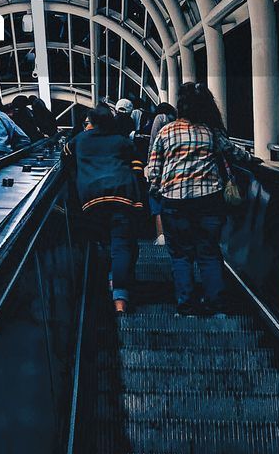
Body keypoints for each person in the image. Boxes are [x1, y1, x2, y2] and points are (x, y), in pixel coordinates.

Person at [145, 82, 250, 318]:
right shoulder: (211, 131)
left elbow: (154, 169)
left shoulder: (166, 132)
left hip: (174, 202)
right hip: (209, 202)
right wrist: (255, 161)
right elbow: (235, 153)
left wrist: (155, 189)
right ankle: (218, 307)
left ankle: (187, 306)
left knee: (180, 255)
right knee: (209, 252)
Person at [72, 104, 145, 314]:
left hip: (91, 199)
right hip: (123, 196)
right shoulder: (122, 141)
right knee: (122, 245)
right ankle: (120, 298)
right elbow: (138, 167)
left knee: (100, 244)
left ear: (92, 123)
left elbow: (65, 156)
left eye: (87, 123)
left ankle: (100, 291)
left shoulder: (80, 140)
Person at [145, 102, 177, 246]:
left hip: (162, 166)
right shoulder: (178, 124)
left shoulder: (160, 119)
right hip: (175, 169)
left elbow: (153, 145)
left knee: (156, 200)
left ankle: (161, 235)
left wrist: (151, 171)